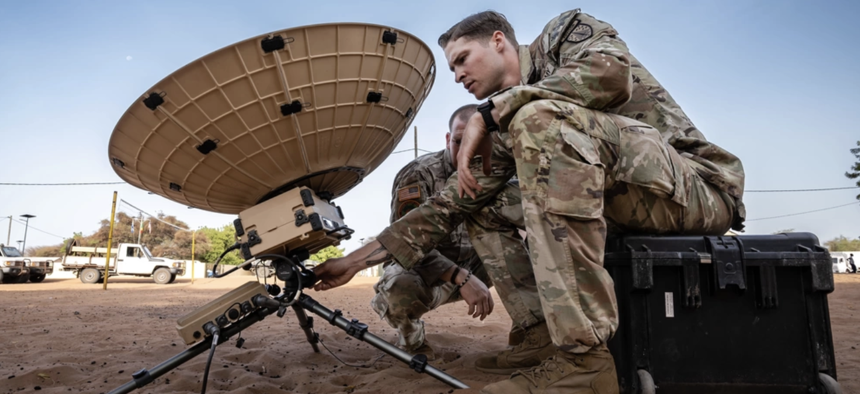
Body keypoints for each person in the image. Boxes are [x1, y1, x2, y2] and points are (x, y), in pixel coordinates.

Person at [315, 8, 745, 393]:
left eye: (462, 59)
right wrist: (354, 262)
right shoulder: (512, 121)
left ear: (499, 41)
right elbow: (446, 207)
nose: (458, 76)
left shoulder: (563, 34)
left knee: (536, 118)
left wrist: (495, 110)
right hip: (624, 198)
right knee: (477, 199)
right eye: (452, 69)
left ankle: (584, 361)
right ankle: (539, 333)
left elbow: (612, 75)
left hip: (697, 189)